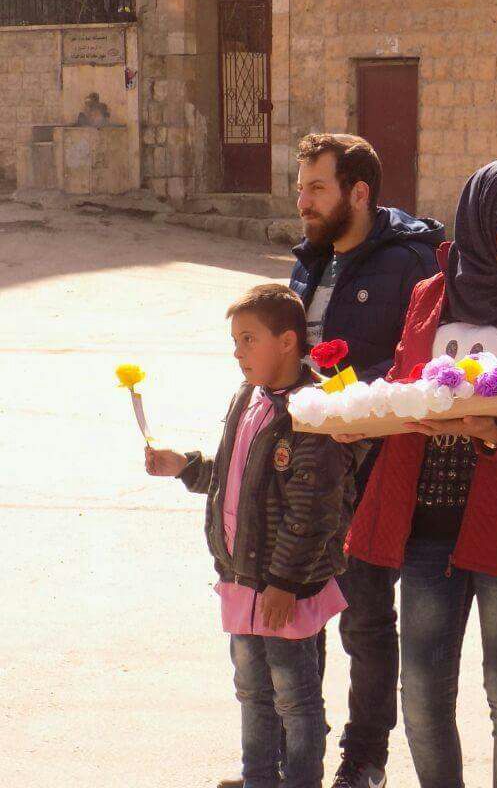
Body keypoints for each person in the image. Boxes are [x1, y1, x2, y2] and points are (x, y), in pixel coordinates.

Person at [340, 158, 497, 788]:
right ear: (483, 218)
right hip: (425, 529)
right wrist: (362, 417)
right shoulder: (430, 293)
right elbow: (405, 386)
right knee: (423, 694)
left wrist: (493, 432)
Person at [144, 284, 356, 788]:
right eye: (235, 341)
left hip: (285, 587)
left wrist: (284, 582)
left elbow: (313, 511)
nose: (237, 352)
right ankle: (259, 778)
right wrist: (185, 466)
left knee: (296, 700)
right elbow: (234, 477)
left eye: (247, 339)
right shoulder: (248, 397)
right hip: (242, 578)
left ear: (287, 341)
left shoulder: (315, 410)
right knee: (253, 692)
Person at [289, 133, 446, 788]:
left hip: (375, 466)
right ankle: (296, 758)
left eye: (315, 188)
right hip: (306, 466)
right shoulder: (310, 260)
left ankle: (364, 761)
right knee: (297, 616)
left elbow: (423, 359)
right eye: (300, 188)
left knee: (364, 621)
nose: (302, 202)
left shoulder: (412, 260)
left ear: (358, 193)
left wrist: (350, 397)